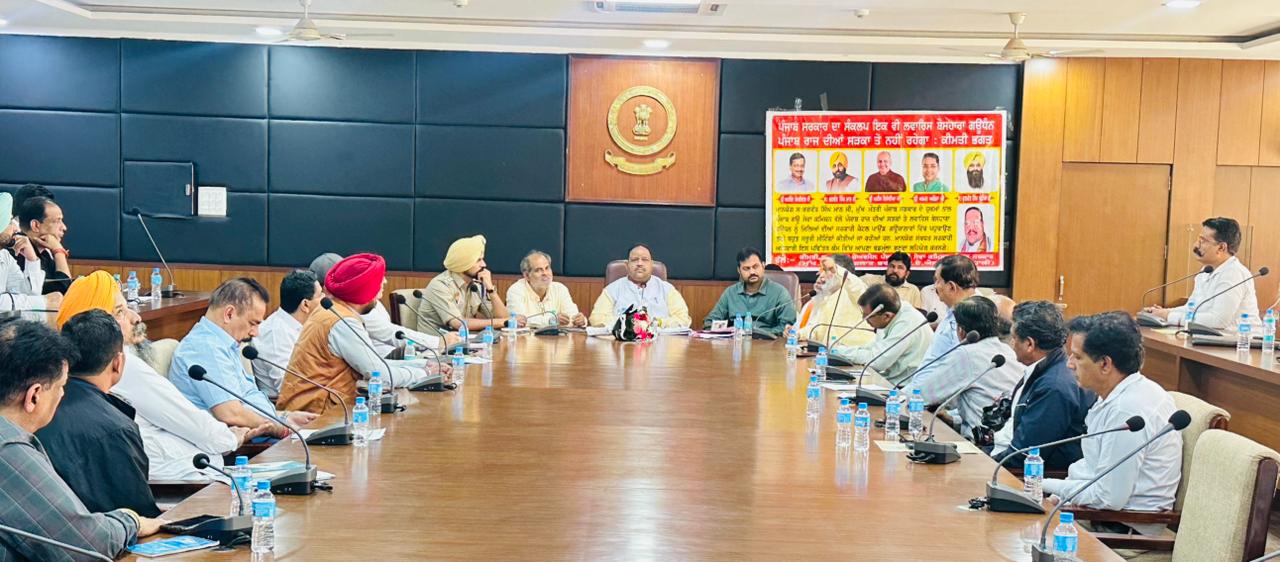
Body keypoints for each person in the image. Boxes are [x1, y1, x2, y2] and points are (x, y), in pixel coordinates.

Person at [57, 271, 257, 481]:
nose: (136, 317)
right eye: (120, 312)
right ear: (95, 326)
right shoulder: (121, 366)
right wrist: (231, 438)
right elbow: (199, 429)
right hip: (180, 482)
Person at [0, 318, 164, 559]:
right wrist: (131, 520)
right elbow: (89, 544)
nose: (63, 395)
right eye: (61, 386)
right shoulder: (8, 449)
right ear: (34, 396)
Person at [1044, 312, 1181, 535]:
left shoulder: (1128, 410)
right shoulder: (1116, 395)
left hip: (1120, 529)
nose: (1069, 364)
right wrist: (1059, 493)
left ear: (1105, 364)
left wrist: (1043, 484)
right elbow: (1093, 468)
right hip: (1095, 515)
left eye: (1077, 357)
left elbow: (1109, 497)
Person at [277, 254, 449, 415]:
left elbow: (375, 364)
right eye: (379, 280)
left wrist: (425, 365)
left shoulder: (335, 311)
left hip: (329, 409)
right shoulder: (341, 321)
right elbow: (380, 375)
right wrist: (426, 373)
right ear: (364, 290)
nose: (385, 282)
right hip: (316, 416)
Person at [36, 310, 160, 517]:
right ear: (118, 362)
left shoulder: (36, 406)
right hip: (96, 533)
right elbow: (137, 516)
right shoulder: (116, 429)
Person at [170, 278, 318, 437]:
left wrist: (285, 417)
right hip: (244, 443)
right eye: (253, 323)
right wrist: (282, 428)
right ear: (229, 314)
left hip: (263, 433)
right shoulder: (205, 348)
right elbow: (231, 414)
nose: (256, 333)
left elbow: (246, 401)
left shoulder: (224, 344)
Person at [989, 302, 1095, 470]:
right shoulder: (1047, 368)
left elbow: (1024, 454)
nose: (1011, 344)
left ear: (1029, 344)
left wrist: (985, 463)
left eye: (1014, 338)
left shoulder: (1053, 387)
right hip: (1006, 457)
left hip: (1033, 475)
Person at [904, 296, 1022, 436]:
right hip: (1005, 436)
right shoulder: (1007, 351)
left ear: (961, 330)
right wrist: (954, 419)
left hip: (982, 442)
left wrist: (894, 398)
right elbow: (984, 400)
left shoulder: (967, 355)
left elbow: (920, 394)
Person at [309, 253, 450, 357]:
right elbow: (389, 334)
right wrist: (438, 342)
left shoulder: (362, 301)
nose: (384, 282)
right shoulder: (344, 311)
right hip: (381, 364)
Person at [1142, 217, 1260, 331]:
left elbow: (1219, 321)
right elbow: (1191, 309)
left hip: (1242, 341)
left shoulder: (1233, 274)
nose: (1196, 245)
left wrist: (1168, 316)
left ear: (1221, 248)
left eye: (1203, 241)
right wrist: (1164, 312)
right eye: (1198, 239)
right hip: (1214, 340)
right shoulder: (1206, 271)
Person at [832, 284, 934, 386]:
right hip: (891, 381)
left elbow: (877, 361)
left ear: (886, 316)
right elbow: (874, 348)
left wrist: (840, 352)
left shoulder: (907, 322)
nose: (864, 319)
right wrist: (841, 350)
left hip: (907, 388)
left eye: (868, 316)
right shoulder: (892, 310)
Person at [419, 235, 518, 334]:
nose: (484, 264)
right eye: (478, 260)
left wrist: (490, 290)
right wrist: (501, 322)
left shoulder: (477, 285)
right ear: (463, 263)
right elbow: (458, 323)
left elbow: (503, 318)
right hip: (437, 342)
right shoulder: (440, 285)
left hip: (464, 340)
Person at [252, 270, 323, 399]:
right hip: (285, 405)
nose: (324, 299)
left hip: (310, 396)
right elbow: (288, 387)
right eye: (320, 295)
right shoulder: (275, 334)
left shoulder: (299, 325)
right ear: (305, 304)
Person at [590, 244, 691, 329]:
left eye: (645, 259)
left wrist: (656, 322)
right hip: (622, 343)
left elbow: (683, 319)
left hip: (660, 343)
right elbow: (596, 319)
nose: (639, 263)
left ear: (651, 264)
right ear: (627, 265)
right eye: (634, 260)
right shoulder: (612, 289)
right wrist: (629, 322)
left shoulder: (667, 289)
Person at [703, 247, 796, 336]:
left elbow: (787, 327)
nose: (752, 272)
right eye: (746, 268)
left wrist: (762, 334)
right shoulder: (730, 293)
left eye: (755, 267)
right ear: (739, 271)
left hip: (768, 342)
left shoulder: (779, 293)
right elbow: (709, 322)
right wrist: (726, 332)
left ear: (763, 266)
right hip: (736, 341)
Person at [0, 193, 59, 316]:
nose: (16, 229)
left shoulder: (4, 256)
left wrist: (32, 260)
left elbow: (29, 294)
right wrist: (44, 302)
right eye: (9, 222)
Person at [795, 255, 874, 348]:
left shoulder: (854, 292)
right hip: (829, 352)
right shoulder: (825, 298)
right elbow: (817, 329)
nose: (821, 276)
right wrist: (797, 334)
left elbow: (857, 286)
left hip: (855, 352)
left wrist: (837, 270)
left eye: (827, 271)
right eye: (822, 271)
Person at [506, 250, 586, 328]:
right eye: (538, 270)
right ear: (527, 276)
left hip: (557, 337)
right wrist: (551, 321)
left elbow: (572, 317)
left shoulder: (560, 289)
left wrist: (580, 321)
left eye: (547, 268)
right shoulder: (516, 290)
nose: (545, 273)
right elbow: (519, 321)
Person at [8, 195, 70, 295]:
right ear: (36, 225)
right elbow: (59, 292)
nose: (64, 227)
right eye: (57, 221)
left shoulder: (44, 253)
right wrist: (59, 252)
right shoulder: (19, 251)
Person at [859, 251, 924, 309]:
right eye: (892, 266)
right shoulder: (870, 281)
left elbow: (917, 315)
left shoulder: (912, 291)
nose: (895, 270)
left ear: (907, 274)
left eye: (900, 268)